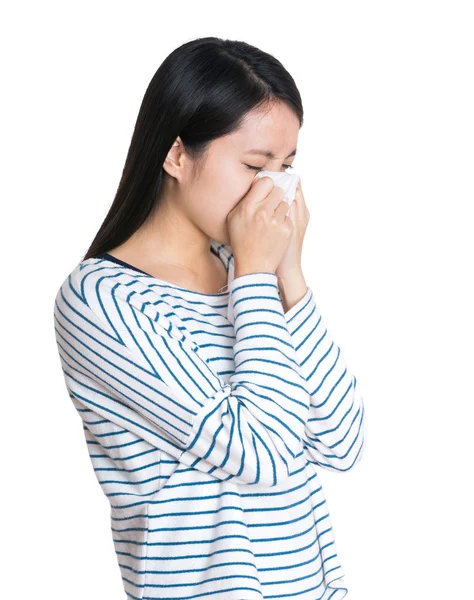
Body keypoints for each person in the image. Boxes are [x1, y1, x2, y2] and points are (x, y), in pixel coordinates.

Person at [53, 36, 367, 600]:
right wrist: (253, 277)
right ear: (176, 156)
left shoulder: (249, 274)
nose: (274, 189)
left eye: (287, 166)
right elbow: (263, 455)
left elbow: (341, 441)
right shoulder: (103, 300)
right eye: (254, 165)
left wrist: (287, 276)